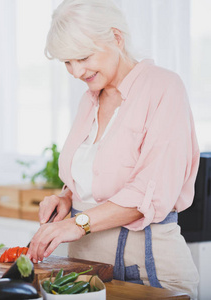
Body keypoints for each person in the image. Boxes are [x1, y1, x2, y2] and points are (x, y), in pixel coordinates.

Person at [27, 0, 199, 297]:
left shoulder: (164, 87)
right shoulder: (89, 99)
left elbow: (149, 193)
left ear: (116, 38)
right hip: (85, 268)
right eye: (67, 62)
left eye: (82, 57)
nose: (76, 71)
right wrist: (67, 197)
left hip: (149, 271)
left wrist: (77, 224)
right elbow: (98, 172)